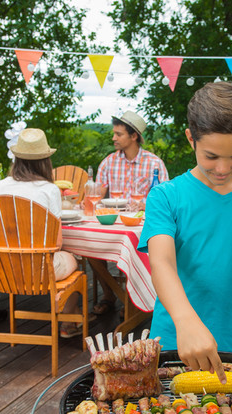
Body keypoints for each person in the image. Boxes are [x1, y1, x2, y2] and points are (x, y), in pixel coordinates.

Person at [138, 82, 232, 379]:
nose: (223, 168)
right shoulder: (166, 197)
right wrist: (186, 321)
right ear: (190, 140)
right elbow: (162, 262)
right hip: (173, 347)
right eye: (211, 156)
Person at [0, 127, 85, 338]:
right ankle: (68, 323)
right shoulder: (48, 189)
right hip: (40, 269)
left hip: (5, 267)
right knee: (75, 260)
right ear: (45, 161)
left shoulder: (0, 186)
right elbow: (57, 242)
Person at [90, 111, 169, 316]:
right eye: (114, 133)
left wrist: (144, 204)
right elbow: (97, 195)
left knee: (139, 248)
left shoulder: (154, 163)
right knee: (90, 249)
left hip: (141, 227)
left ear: (134, 136)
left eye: (119, 134)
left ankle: (136, 302)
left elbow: (164, 201)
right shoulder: (108, 162)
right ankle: (110, 295)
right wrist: (90, 196)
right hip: (113, 224)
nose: (113, 138)